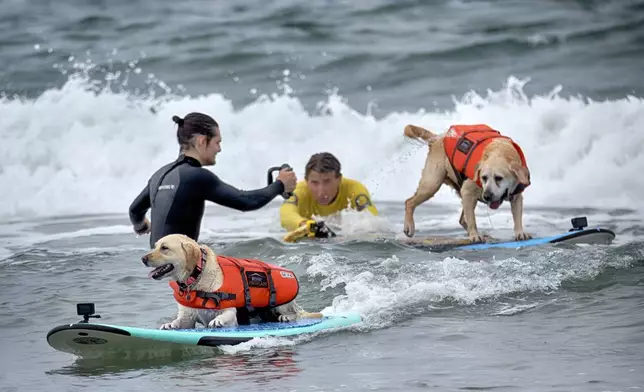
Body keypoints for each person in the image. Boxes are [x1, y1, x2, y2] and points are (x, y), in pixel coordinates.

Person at [129, 112, 297, 248]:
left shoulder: (159, 174)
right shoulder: (196, 176)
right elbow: (246, 201)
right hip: (179, 267)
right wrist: (279, 184)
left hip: (158, 264)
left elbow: (135, 211)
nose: (219, 149)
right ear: (202, 141)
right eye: (217, 142)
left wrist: (143, 227)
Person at [279, 152, 378, 234]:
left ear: (339, 179)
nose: (321, 191)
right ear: (306, 180)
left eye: (327, 182)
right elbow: (286, 214)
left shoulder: (354, 189)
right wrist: (306, 225)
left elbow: (372, 220)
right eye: (314, 183)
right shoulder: (300, 191)